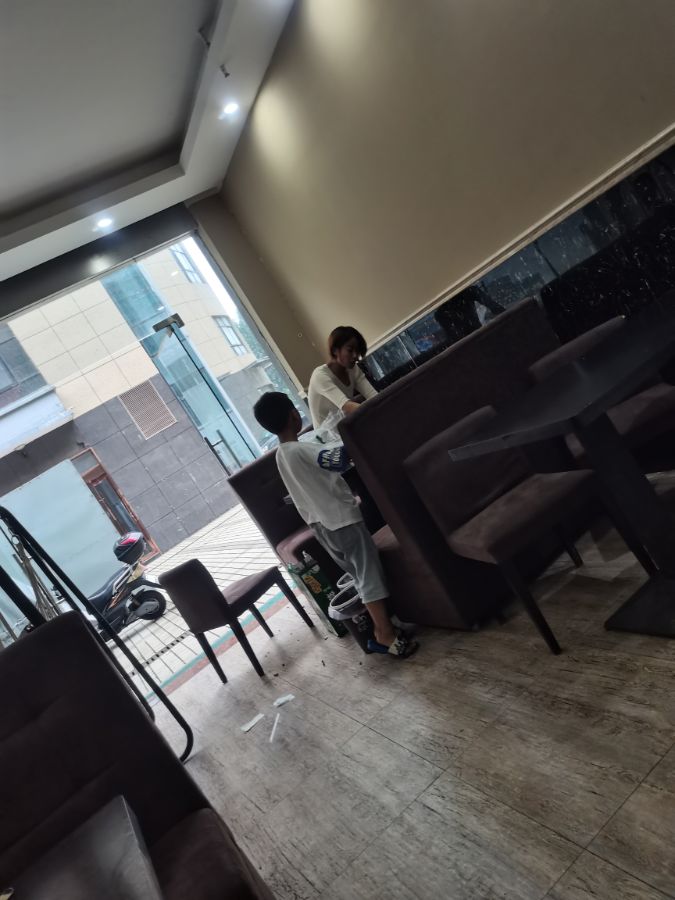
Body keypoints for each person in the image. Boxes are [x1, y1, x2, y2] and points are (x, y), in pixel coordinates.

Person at [253, 391, 418, 658]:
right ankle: (385, 635)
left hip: (322, 527)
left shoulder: (282, 455)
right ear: (293, 415)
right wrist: (350, 430)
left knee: (360, 575)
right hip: (340, 521)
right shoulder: (302, 449)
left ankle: (384, 627)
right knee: (369, 574)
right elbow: (338, 459)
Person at [308, 326, 378, 429]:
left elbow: (373, 395)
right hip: (327, 437)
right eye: (350, 350)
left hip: (346, 429)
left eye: (357, 351)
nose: (355, 356)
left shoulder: (353, 369)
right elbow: (347, 406)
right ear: (335, 350)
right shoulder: (320, 376)